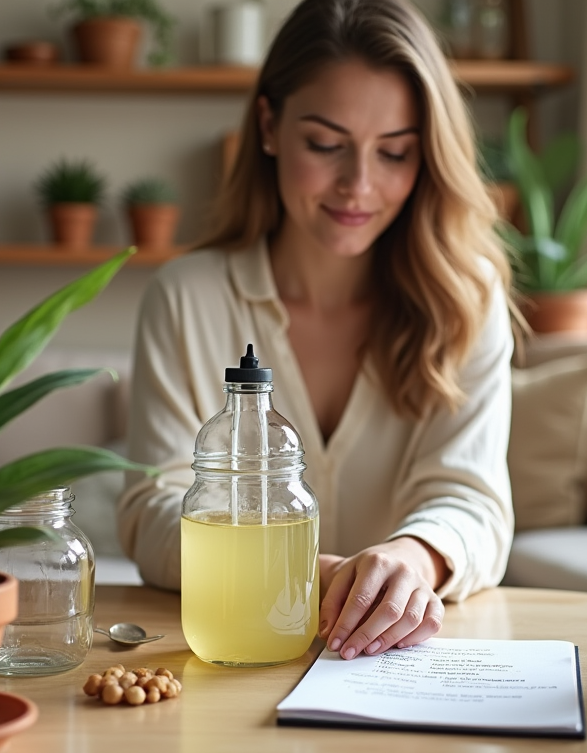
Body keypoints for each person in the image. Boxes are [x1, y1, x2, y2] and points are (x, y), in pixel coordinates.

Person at [117, 0, 516, 661]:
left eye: (394, 153)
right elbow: (149, 510)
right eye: (326, 145)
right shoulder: (185, 299)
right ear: (270, 126)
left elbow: (471, 500)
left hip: (399, 665)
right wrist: (306, 573)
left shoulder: (465, 300)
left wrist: (413, 561)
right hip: (227, 653)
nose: (359, 185)